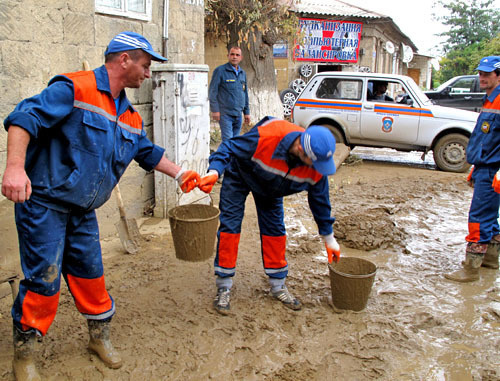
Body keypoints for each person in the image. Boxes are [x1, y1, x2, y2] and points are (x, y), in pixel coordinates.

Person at [1, 31, 200, 379]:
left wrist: (181, 174)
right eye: (146, 64)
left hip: (83, 211)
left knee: (92, 277)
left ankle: (98, 338)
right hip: (45, 204)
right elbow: (23, 118)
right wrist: (15, 168)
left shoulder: (130, 115)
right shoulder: (74, 89)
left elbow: (146, 153)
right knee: (43, 282)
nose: (148, 73)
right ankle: (26, 353)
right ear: (124, 60)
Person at [197, 117, 341, 315]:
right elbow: (230, 146)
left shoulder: (316, 167)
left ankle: (278, 286)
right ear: (300, 150)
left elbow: (320, 202)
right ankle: (224, 285)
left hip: (272, 187)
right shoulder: (268, 136)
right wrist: (214, 171)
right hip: (241, 174)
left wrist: (329, 238)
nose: (317, 169)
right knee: (230, 226)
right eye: (314, 163)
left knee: (274, 231)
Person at [445, 56, 500, 283]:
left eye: (487, 74)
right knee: (490, 216)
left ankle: (470, 269)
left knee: (478, 217)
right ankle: (491, 259)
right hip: (485, 167)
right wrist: (475, 166)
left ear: (499, 75)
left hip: (493, 170)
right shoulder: (490, 100)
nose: (482, 78)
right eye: (480, 73)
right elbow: (487, 139)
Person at [208, 46, 251, 142]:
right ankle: (226, 157)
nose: (234, 57)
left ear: (241, 58)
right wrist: (215, 110)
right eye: (232, 54)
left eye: (237, 55)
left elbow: (245, 94)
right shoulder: (220, 71)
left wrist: (246, 112)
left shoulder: (242, 73)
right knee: (228, 141)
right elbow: (212, 92)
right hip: (225, 114)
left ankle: (230, 157)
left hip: (238, 114)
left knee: (235, 141)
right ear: (228, 56)